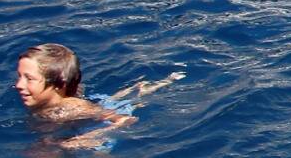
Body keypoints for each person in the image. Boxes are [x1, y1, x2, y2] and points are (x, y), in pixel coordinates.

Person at [13, 42, 184, 150]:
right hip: (84, 112)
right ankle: (144, 87)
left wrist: (85, 138)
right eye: (19, 76)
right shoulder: (46, 103)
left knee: (102, 157)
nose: (19, 85)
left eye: (29, 79)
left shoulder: (74, 108)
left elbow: (126, 120)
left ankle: (162, 82)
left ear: (59, 84)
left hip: (93, 122)